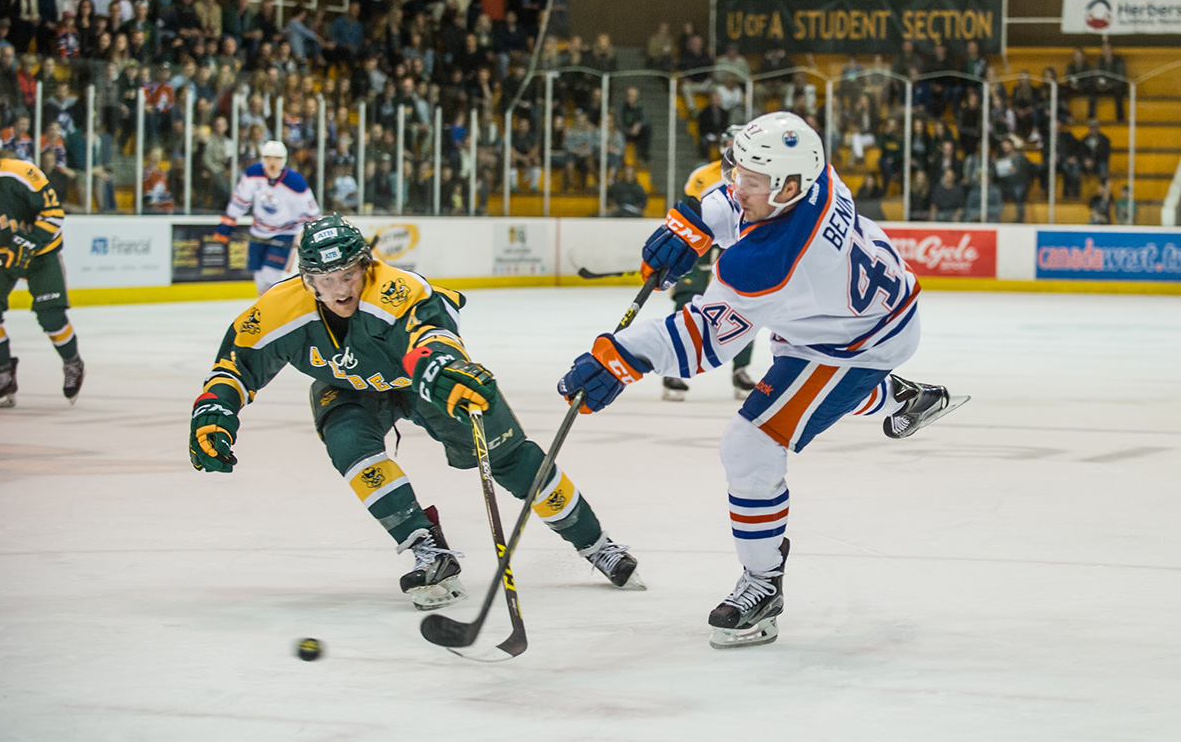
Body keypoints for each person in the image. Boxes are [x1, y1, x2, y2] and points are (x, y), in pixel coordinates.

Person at [557, 112, 967, 649]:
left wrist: (623, 356)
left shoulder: (768, 264)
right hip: (846, 315)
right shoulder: (815, 176)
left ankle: (763, 585)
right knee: (813, 399)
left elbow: (705, 341)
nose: (737, 186)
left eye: (752, 179)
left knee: (750, 445)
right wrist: (695, 222)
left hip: (857, 342)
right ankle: (902, 399)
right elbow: (743, 204)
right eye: (739, 171)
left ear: (789, 185)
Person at [189, 214, 642, 610]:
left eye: (347, 274)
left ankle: (596, 543)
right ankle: (425, 546)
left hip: (423, 383)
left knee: (509, 458)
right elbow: (234, 364)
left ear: (365, 265)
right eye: (325, 280)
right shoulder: (277, 310)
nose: (339, 289)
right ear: (306, 279)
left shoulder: (398, 289)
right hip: (349, 389)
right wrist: (215, 409)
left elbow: (433, 333)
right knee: (348, 442)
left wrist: (442, 368)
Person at [0, 123, 84, 408]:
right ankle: (4, 374)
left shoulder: (20, 172)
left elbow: (53, 211)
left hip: (42, 252)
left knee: (50, 316)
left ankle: (72, 362)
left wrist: (31, 240)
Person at [662, 126, 754, 402]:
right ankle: (673, 370)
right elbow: (689, 213)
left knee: (746, 307)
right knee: (686, 303)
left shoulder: (759, 176)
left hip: (740, 247)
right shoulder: (703, 176)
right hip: (701, 248)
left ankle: (741, 369)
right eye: (729, 142)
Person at [217, 140, 321, 294]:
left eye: (277, 159)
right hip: (258, 231)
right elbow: (240, 200)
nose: (272, 163)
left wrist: (313, 237)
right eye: (268, 158)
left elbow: (312, 214)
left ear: (284, 160)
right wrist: (228, 222)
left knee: (271, 274)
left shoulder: (295, 182)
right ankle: (265, 308)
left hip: (285, 233)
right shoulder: (253, 174)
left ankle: (276, 309)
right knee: (259, 276)